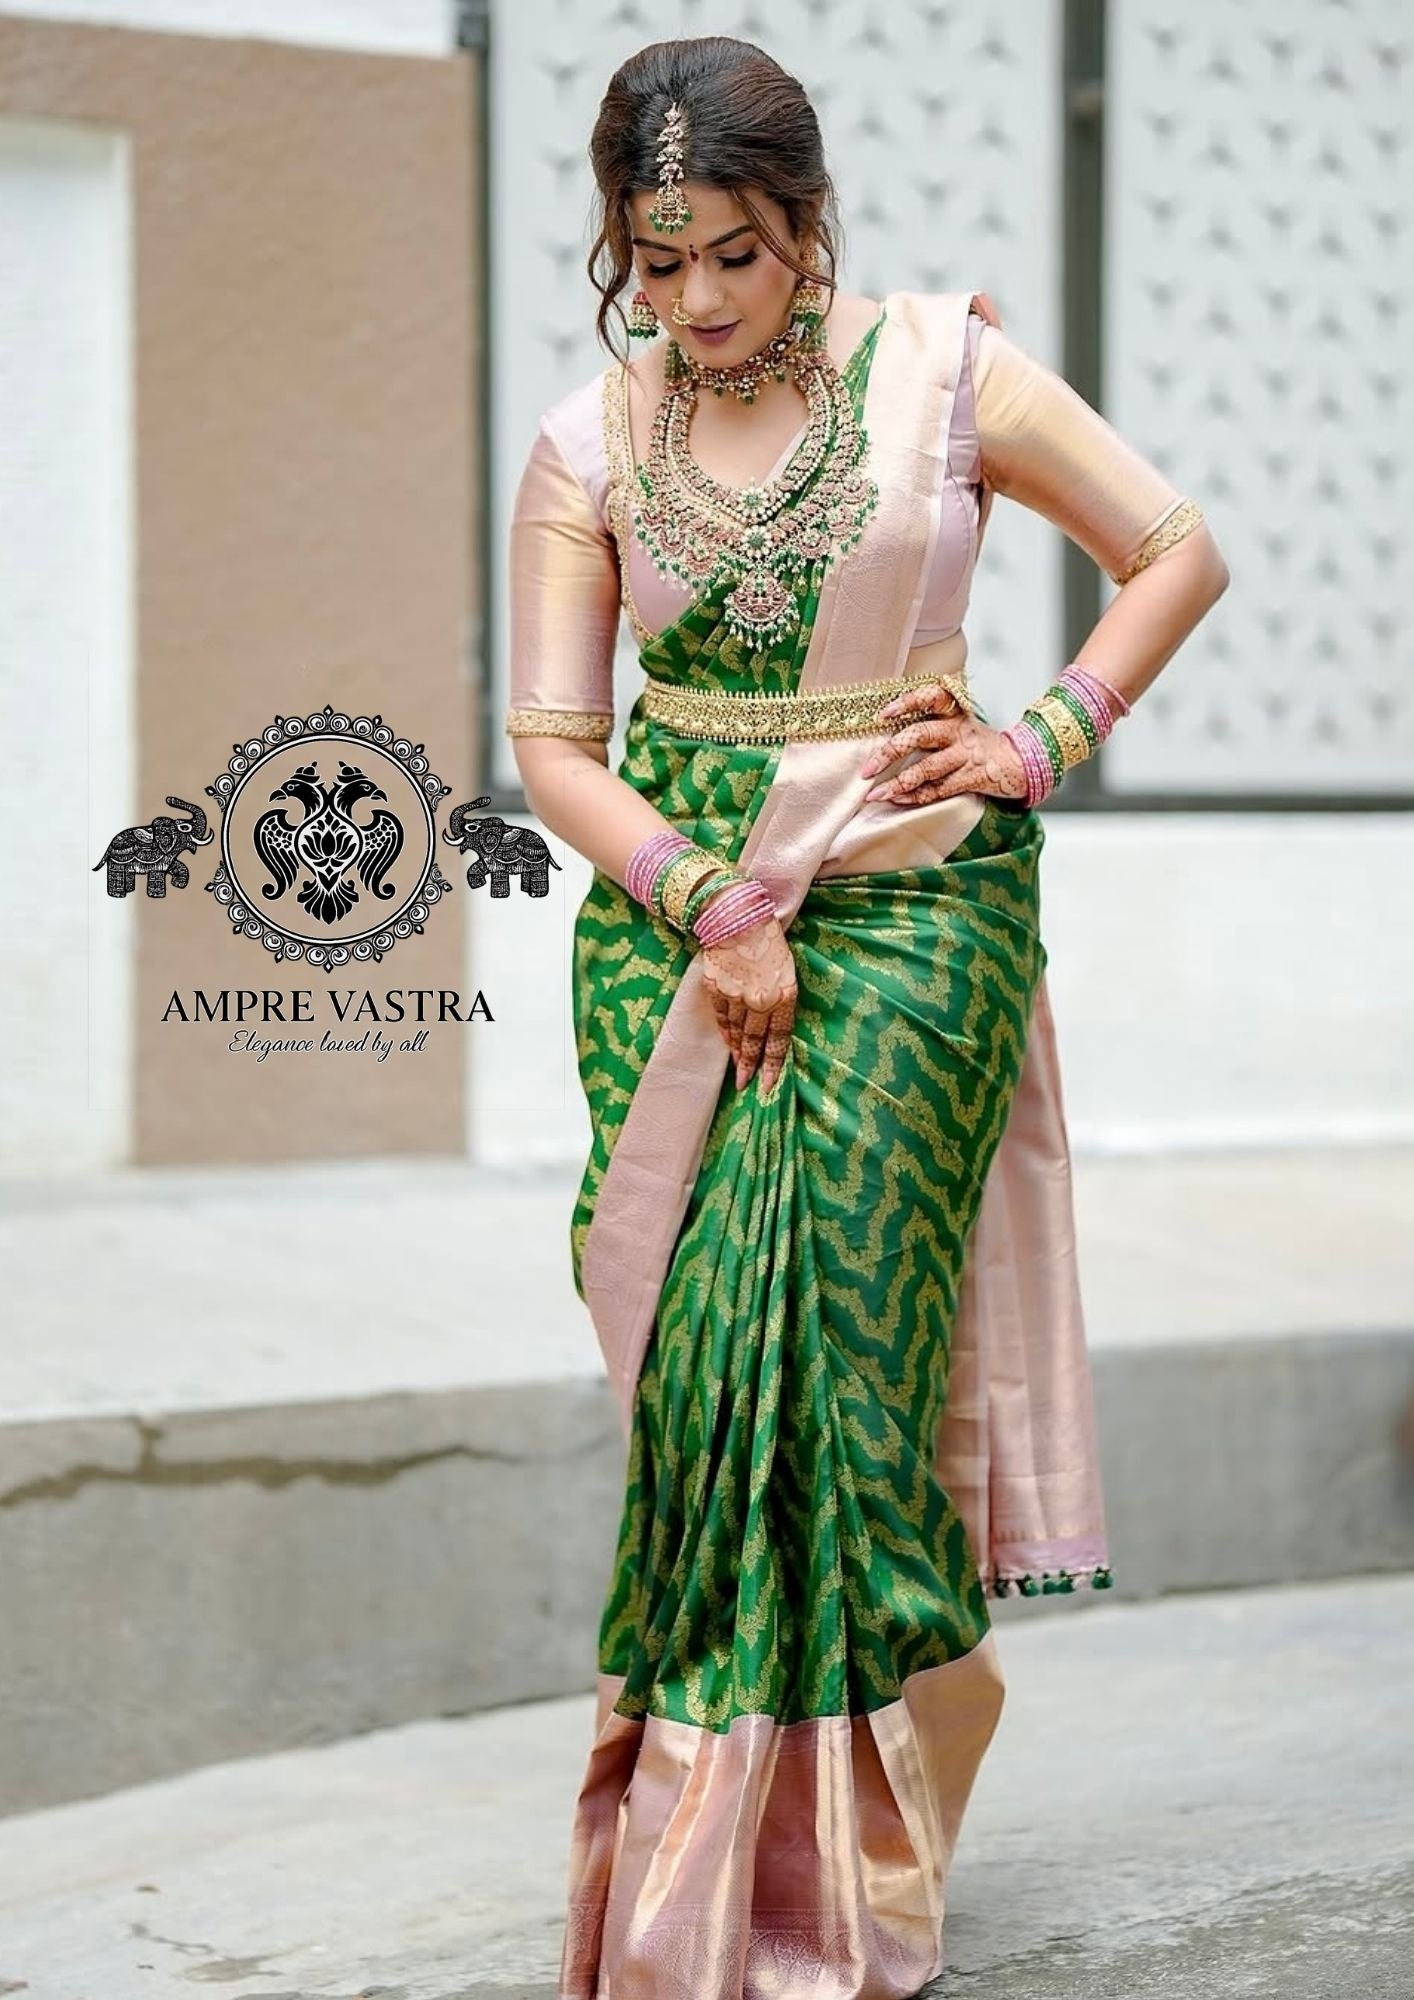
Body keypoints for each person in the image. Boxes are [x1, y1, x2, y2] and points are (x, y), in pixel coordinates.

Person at [505, 35, 1229, 2000]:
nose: (695, 301)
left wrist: (1041, 735)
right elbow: (553, 745)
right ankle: (742, 1846)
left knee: (841, 1350)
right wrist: (706, 900)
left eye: (733, 255)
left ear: (806, 225)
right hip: (675, 922)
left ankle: (876, 1806)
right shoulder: (587, 441)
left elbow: (1171, 548)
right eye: (658, 261)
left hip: (914, 906)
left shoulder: (942, 376)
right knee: (699, 1376)